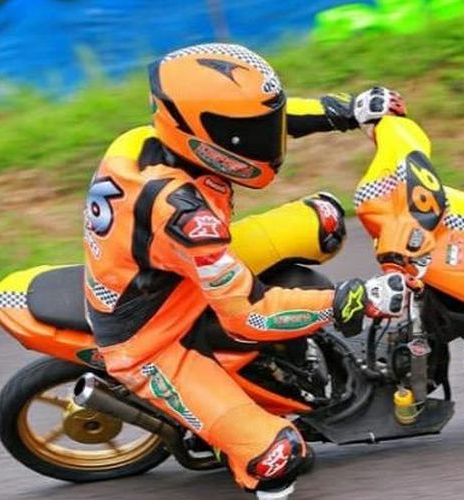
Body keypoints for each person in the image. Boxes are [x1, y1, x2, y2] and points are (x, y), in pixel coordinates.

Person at [83, 43, 432, 499]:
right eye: (247, 135)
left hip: (172, 270)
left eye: (262, 127)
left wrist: (347, 111)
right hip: (153, 337)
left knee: (325, 221)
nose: (268, 140)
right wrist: (351, 300)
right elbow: (247, 315)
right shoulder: (185, 217)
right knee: (280, 456)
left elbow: (275, 119)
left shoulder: (146, 142)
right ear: (203, 135)